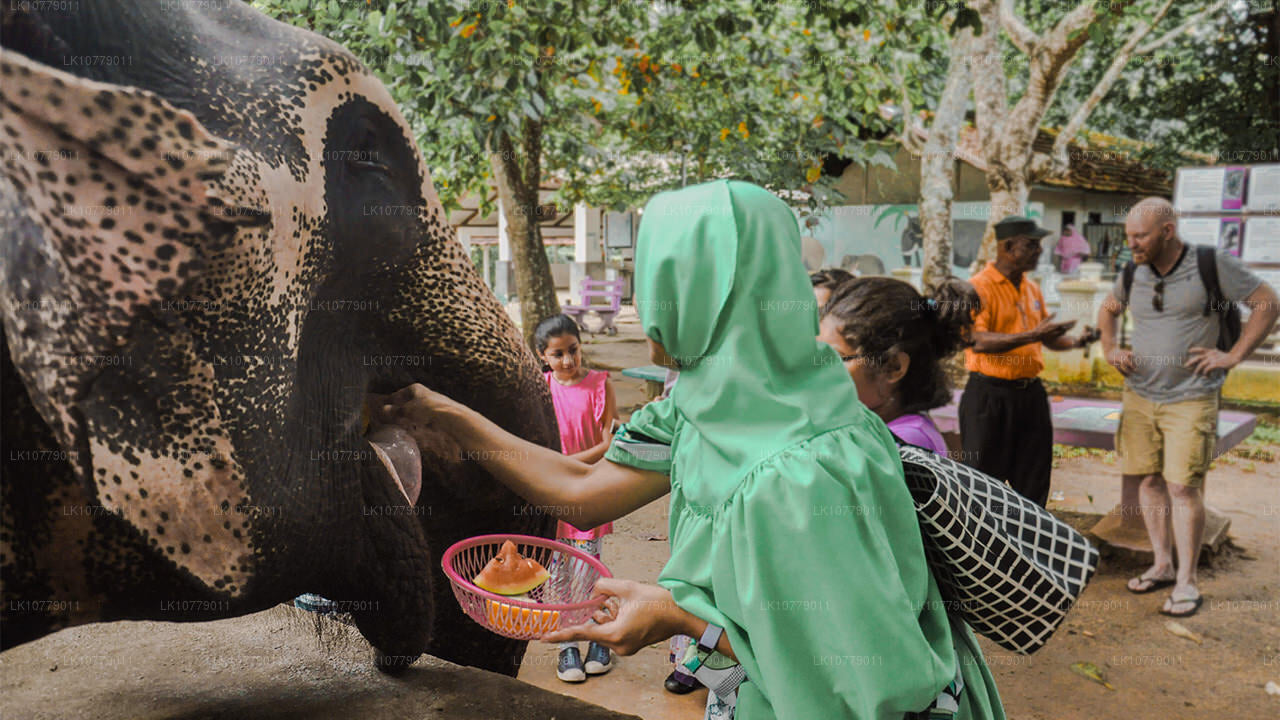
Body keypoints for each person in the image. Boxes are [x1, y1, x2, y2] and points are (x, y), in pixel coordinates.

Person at [380, 180, 1003, 719]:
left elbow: (863, 676)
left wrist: (678, 618)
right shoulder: (697, 403)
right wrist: (443, 414)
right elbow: (576, 487)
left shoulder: (804, 471)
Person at [1098, 197, 1279, 618]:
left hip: (1192, 396)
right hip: (1140, 394)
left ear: (1167, 231)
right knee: (1149, 481)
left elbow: (1267, 302)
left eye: (1140, 236)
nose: (1133, 244)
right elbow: (1108, 311)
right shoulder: (1132, 272)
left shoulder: (1210, 264)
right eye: (1128, 236)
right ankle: (1161, 564)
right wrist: (1110, 349)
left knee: (1183, 486)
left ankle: (1187, 582)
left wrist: (1233, 355)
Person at [959, 215, 1094, 507]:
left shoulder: (1031, 288)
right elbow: (977, 341)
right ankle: (985, 548)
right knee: (983, 484)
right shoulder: (978, 288)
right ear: (1008, 247)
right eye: (1031, 245)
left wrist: (1076, 341)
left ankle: (1031, 545)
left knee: (1033, 479)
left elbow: (1045, 338)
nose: (1039, 251)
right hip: (988, 397)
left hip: (1030, 396)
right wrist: (1032, 334)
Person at [533, 313, 620, 681]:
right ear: (543, 356)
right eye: (557, 354)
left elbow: (606, 444)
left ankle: (599, 637)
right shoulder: (539, 388)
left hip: (589, 492)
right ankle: (569, 647)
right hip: (552, 497)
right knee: (557, 576)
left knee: (589, 572)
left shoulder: (601, 384)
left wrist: (561, 464)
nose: (568, 361)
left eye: (573, 351)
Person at [818, 276, 980, 455]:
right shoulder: (871, 427)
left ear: (893, 367)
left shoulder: (907, 443)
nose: (821, 369)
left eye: (839, 358)